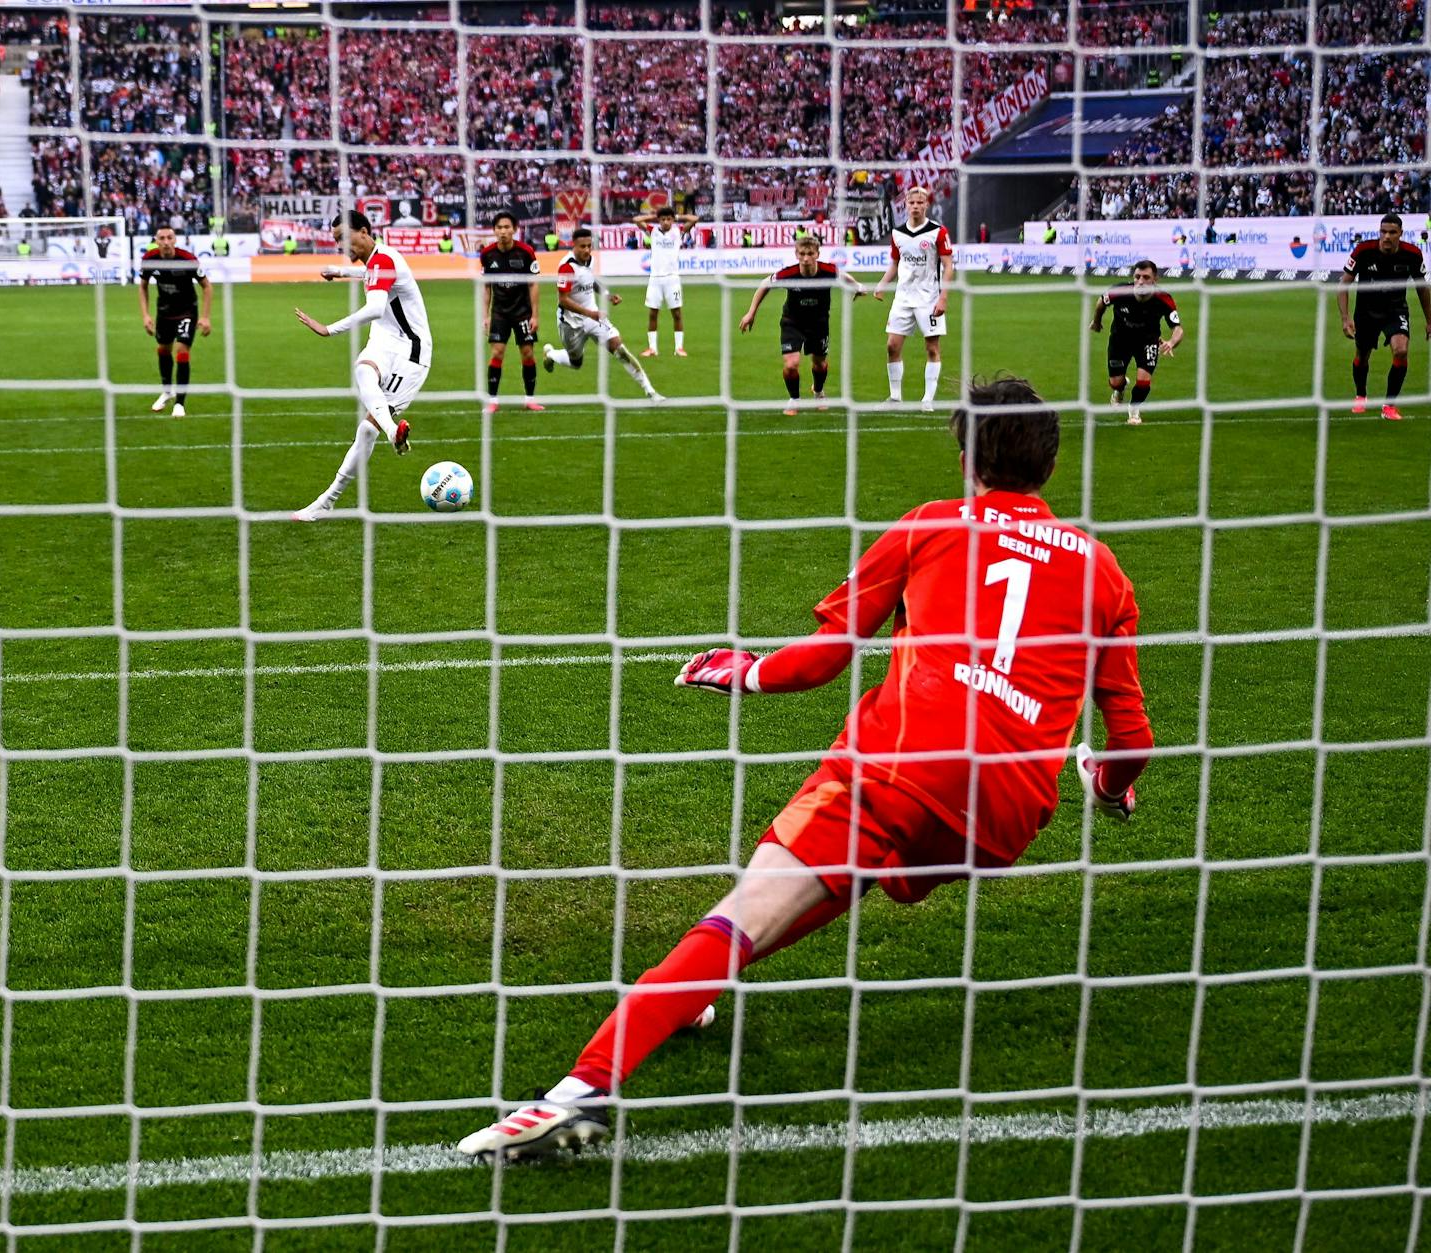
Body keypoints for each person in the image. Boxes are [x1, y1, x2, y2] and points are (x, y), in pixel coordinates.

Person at [455, 375, 1152, 1162]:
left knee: (744, 911)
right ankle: (696, 996)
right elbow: (1131, 736)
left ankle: (573, 1094)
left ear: (967, 458)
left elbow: (824, 659)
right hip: (1001, 821)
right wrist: (1108, 783)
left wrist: (744, 669)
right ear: (1050, 469)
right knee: (828, 875)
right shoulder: (1105, 572)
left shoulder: (932, 526)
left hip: (901, 767)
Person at [290, 210, 427, 522]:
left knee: (366, 430)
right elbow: (371, 275)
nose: (342, 246)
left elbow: (376, 307)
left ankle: (327, 501)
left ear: (364, 232)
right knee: (362, 369)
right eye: (337, 241)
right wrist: (339, 271)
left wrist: (329, 328)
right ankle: (393, 433)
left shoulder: (385, 260)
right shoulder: (379, 259)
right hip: (386, 338)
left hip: (411, 350)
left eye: (345, 238)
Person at [738, 231, 862, 414]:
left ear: (817, 254)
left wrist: (857, 287)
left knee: (819, 364)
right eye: (802, 254)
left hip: (819, 323)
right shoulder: (789, 274)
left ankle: (818, 391)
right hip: (792, 322)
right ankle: (794, 399)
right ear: (796, 255)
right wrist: (751, 312)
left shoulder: (828, 271)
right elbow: (765, 283)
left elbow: (844, 276)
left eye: (810, 254)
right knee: (791, 364)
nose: (806, 258)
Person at [541, 227, 662, 403]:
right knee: (576, 363)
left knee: (620, 349)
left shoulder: (589, 260)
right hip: (570, 323)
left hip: (594, 319)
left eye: (589, 246)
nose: (587, 250)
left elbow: (590, 280)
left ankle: (650, 391)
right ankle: (551, 354)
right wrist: (590, 313)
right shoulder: (567, 267)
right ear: (573, 246)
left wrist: (607, 295)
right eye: (582, 246)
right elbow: (563, 300)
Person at [1338, 212, 1431, 421]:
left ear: (1400, 234)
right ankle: (1361, 395)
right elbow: (1343, 285)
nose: (1386, 236)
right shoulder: (1364, 251)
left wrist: (1429, 320)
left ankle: (1389, 405)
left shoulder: (1413, 255)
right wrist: (1345, 318)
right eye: (1383, 232)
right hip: (1366, 311)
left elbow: (1422, 289)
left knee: (1401, 351)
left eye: (1392, 232)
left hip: (1395, 310)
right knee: (1362, 356)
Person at [867, 186, 954, 411]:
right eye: (911, 202)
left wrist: (943, 297)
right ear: (905, 204)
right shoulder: (897, 234)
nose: (915, 206)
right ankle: (895, 397)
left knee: (932, 349)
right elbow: (896, 264)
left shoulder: (938, 231)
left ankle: (927, 399)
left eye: (919, 202)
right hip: (903, 298)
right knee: (892, 346)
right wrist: (882, 284)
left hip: (929, 299)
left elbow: (948, 266)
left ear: (926, 204)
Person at [1091, 259, 1184, 426]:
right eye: (1137, 276)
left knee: (1144, 381)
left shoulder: (1163, 299)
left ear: (1155, 279)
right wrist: (1096, 322)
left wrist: (1171, 342)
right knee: (1115, 382)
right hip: (1120, 340)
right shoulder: (1119, 291)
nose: (1141, 281)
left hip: (1148, 341)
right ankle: (1120, 389)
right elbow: (1100, 303)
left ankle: (1134, 409)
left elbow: (1178, 329)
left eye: (1146, 277)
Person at [138, 225, 213, 416]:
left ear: (175, 240)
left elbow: (207, 286)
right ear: (156, 241)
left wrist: (205, 317)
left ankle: (180, 403)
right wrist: (145, 315)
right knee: (163, 349)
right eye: (161, 238)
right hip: (164, 312)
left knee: (181, 351)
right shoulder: (149, 260)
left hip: (187, 311)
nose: (165, 242)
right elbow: (143, 287)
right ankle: (166, 391)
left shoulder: (187, 260)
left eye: (169, 237)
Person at [479, 210, 544, 415]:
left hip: (523, 312)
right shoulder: (487, 254)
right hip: (500, 313)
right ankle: (493, 400)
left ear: (515, 229)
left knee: (527, 354)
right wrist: (485, 316)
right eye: (499, 228)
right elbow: (486, 287)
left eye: (507, 227)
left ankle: (530, 399)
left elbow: (533, 284)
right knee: (497, 353)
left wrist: (535, 315)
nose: (503, 231)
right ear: (494, 230)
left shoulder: (526, 252)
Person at [632, 204, 700, 357]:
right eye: (663, 219)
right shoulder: (653, 231)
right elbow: (636, 219)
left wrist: (677, 217)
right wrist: (653, 216)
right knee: (652, 313)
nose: (666, 222)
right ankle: (652, 348)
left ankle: (679, 348)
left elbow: (695, 219)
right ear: (659, 220)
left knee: (676, 313)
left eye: (669, 219)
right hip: (655, 279)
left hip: (672, 279)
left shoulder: (678, 232)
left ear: (672, 220)